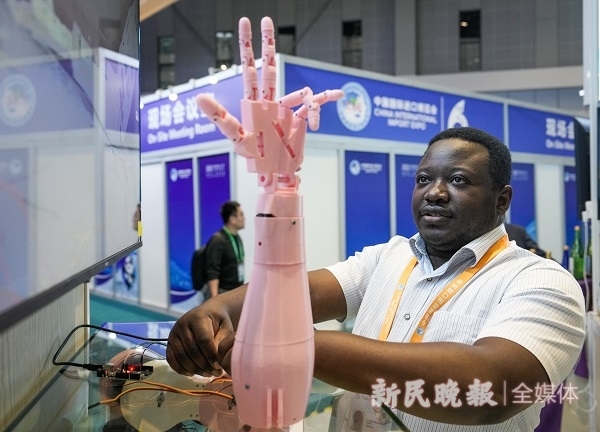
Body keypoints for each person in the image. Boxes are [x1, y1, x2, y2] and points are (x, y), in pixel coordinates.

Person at [166, 127, 585, 431]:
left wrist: (293, 348)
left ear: (502, 200)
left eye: (458, 180)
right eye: (424, 179)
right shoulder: (388, 256)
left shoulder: (541, 281)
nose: (435, 192)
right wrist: (217, 309)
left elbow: (491, 386)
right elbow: (297, 294)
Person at [203, 200, 246, 298]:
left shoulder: (237, 238)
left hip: (235, 292)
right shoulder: (218, 240)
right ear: (232, 219)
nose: (244, 218)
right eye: (241, 214)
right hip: (223, 293)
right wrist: (215, 299)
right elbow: (212, 271)